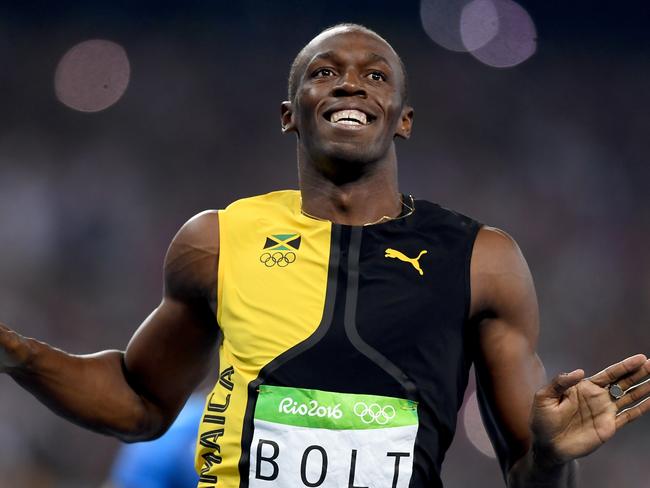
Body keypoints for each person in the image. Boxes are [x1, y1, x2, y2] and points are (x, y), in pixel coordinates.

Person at [1, 23, 649, 488]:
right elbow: (140, 403)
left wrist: (553, 455)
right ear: (290, 114)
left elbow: (526, 476)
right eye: (324, 72)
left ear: (403, 118)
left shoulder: (483, 259)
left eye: (374, 75)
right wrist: (20, 354)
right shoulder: (217, 240)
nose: (350, 85)